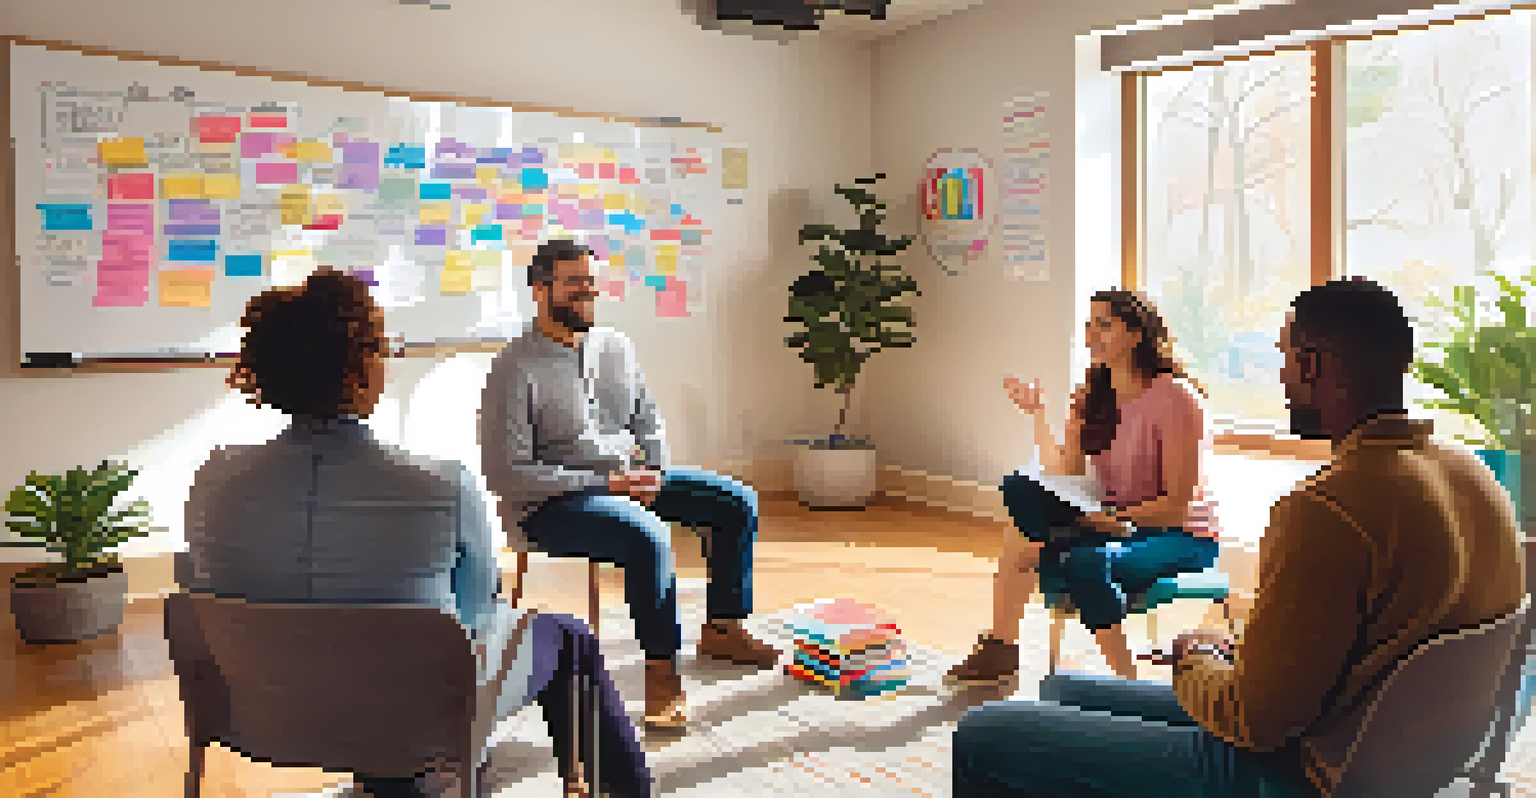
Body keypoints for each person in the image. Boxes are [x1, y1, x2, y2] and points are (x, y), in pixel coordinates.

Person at [951, 277, 1527, 797]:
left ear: (1315, 366)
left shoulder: (1327, 508)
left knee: (985, 730)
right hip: (1397, 750)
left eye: (1284, 358)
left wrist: (1193, 655)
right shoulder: (1477, 477)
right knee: (1065, 690)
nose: (1279, 377)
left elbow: (1253, 721)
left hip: (1308, 771)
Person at [181, 268, 651, 798]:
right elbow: (473, 617)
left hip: (260, 714)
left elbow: (205, 584)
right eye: (384, 349)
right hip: (414, 723)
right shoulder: (442, 486)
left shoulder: (213, 481)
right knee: (567, 637)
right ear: (360, 372)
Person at [479, 239, 782, 734]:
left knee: (735, 502)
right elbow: (506, 474)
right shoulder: (513, 367)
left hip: (628, 484)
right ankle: (662, 673)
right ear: (540, 290)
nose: (588, 290)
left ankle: (724, 627)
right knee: (646, 536)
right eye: (574, 282)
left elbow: (648, 421)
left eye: (590, 281)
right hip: (552, 503)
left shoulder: (616, 346)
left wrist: (654, 476)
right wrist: (607, 483)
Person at [944, 289, 1221, 686]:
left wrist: (1108, 518)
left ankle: (1129, 685)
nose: (1092, 334)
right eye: (1089, 325)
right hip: (1114, 525)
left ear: (1136, 335)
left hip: (1180, 535)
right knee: (1021, 511)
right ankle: (1000, 650)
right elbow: (1067, 472)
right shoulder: (1093, 394)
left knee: (1081, 560)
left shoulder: (1177, 398)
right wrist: (1038, 415)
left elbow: (1176, 507)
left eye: (1104, 325)